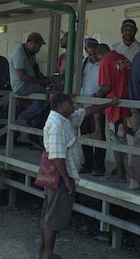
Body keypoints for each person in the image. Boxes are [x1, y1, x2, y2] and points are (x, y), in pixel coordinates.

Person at [36, 92, 120, 259]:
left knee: (49, 214)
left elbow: (87, 111)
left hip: (58, 174)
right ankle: (47, 253)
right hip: (60, 175)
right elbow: (58, 156)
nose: (73, 105)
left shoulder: (64, 118)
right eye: (70, 103)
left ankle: (43, 252)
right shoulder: (57, 124)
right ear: (61, 106)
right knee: (53, 215)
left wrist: (110, 103)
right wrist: (67, 180)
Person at [92, 43, 130, 182]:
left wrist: (97, 96)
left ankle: (120, 174)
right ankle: (121, 171)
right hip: (128, 104)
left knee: (117, 139)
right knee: (123, 135)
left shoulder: (106, 61)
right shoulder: (123, 58)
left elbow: (107, 87)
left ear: (100, 54)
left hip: (115, 105)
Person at [11, 33, 51, 132]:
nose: (39, 49)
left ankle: (30, 112)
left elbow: (35, 71)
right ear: (31, 43)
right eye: (38, 47)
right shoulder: (19, 54)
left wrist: (46, 79)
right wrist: (41, 81)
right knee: (44, 94)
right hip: (21, 85)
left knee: (45, 98)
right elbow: (22, 76)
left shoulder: (30, 54)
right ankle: (25, 116)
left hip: (30, 84)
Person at [78, 37, 105, 176]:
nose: (91, 50)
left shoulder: (103, 63)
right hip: (84, 103)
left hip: (98, 103)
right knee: (85, 134)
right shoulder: (84, 63)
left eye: (93, 47)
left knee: (99, 134)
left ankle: (99, 166)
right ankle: (87, 163)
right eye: (89, 47)